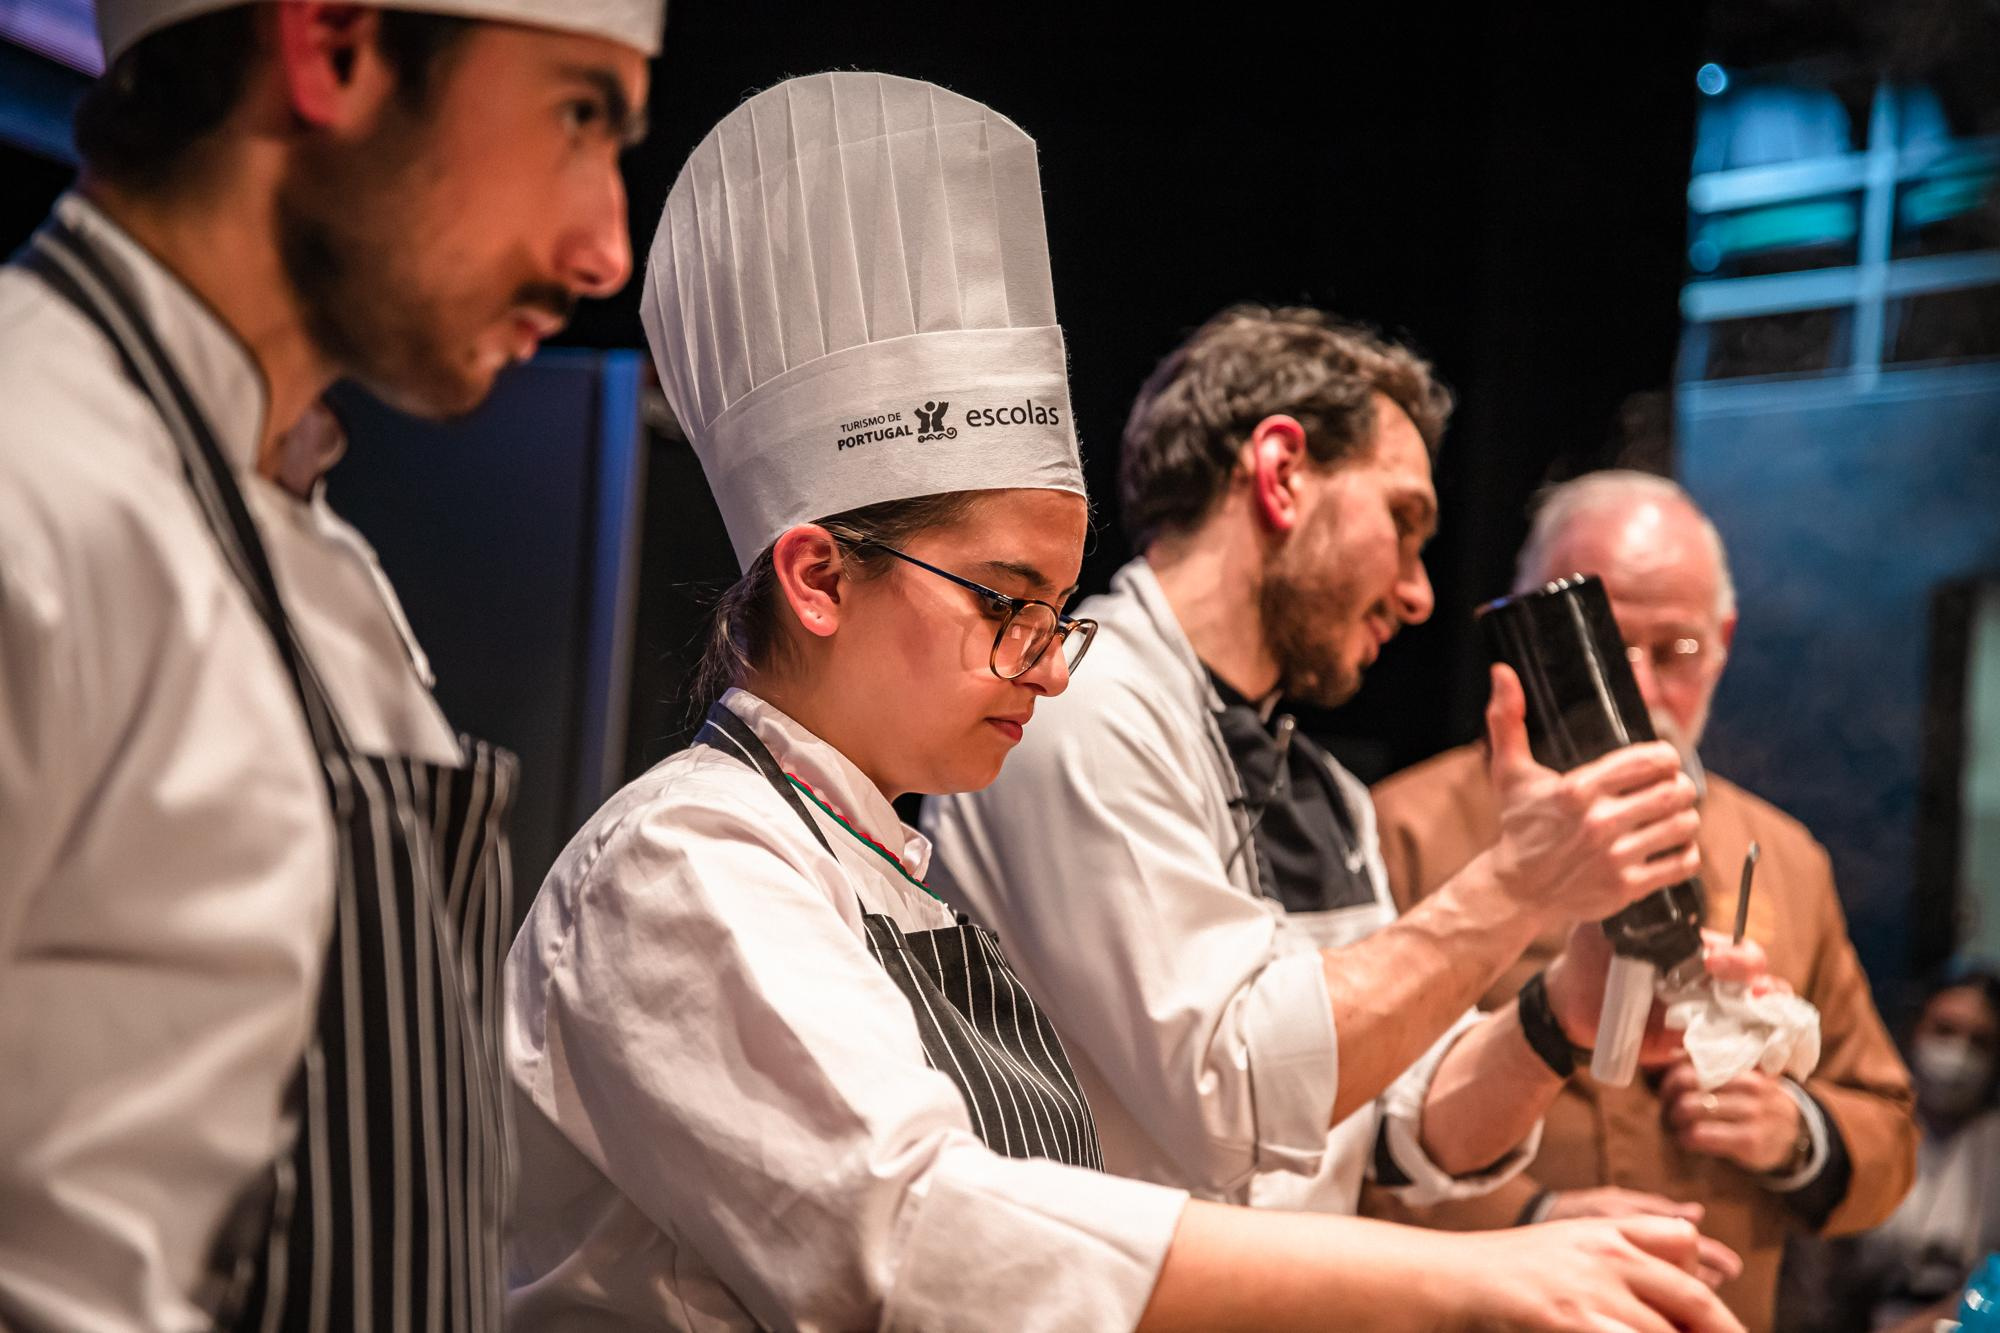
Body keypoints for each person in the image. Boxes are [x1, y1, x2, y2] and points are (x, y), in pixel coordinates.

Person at [502, 71, 1744, 1332]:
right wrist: (1466, 1275)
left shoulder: (898, 869)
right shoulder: (680, 864)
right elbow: (926, 1238)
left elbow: (1349, 1141)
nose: (1046, 664)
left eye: (1053, 614)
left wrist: (1549, 1026)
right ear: (818, 576)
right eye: (1003, 603)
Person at [0, 2, 659, 1328]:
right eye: (578, 113)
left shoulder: (326, 567)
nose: (605, 250)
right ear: (334, 47)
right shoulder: (32, 486)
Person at [920, 305, 1739, 1244]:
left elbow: (1395, 1126)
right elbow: (1237, 1089)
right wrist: (1520, 881)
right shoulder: (1081, 704)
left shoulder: (1325, 791)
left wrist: (1565, 1010)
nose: (1421, 592)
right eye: (1404, 520)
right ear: (1280, 474)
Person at [1364, 470, 1918, 1332]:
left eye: (1678, 651)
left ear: (1725, 638)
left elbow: (1888, 1127)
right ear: (1525, 633)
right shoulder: (1400, 828)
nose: (1640, 690)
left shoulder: (1788, 857)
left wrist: (1796, 1131)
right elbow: (1319, 1136)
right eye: (1603, 647)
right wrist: (1529, 1222)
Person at [1801, 966, 2000, 1332]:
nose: (1957, 1054)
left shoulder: (1992, 1144)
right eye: (1945, 1031)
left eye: (1980, 1042)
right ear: (1914, 1029)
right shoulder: (1871, 1125)